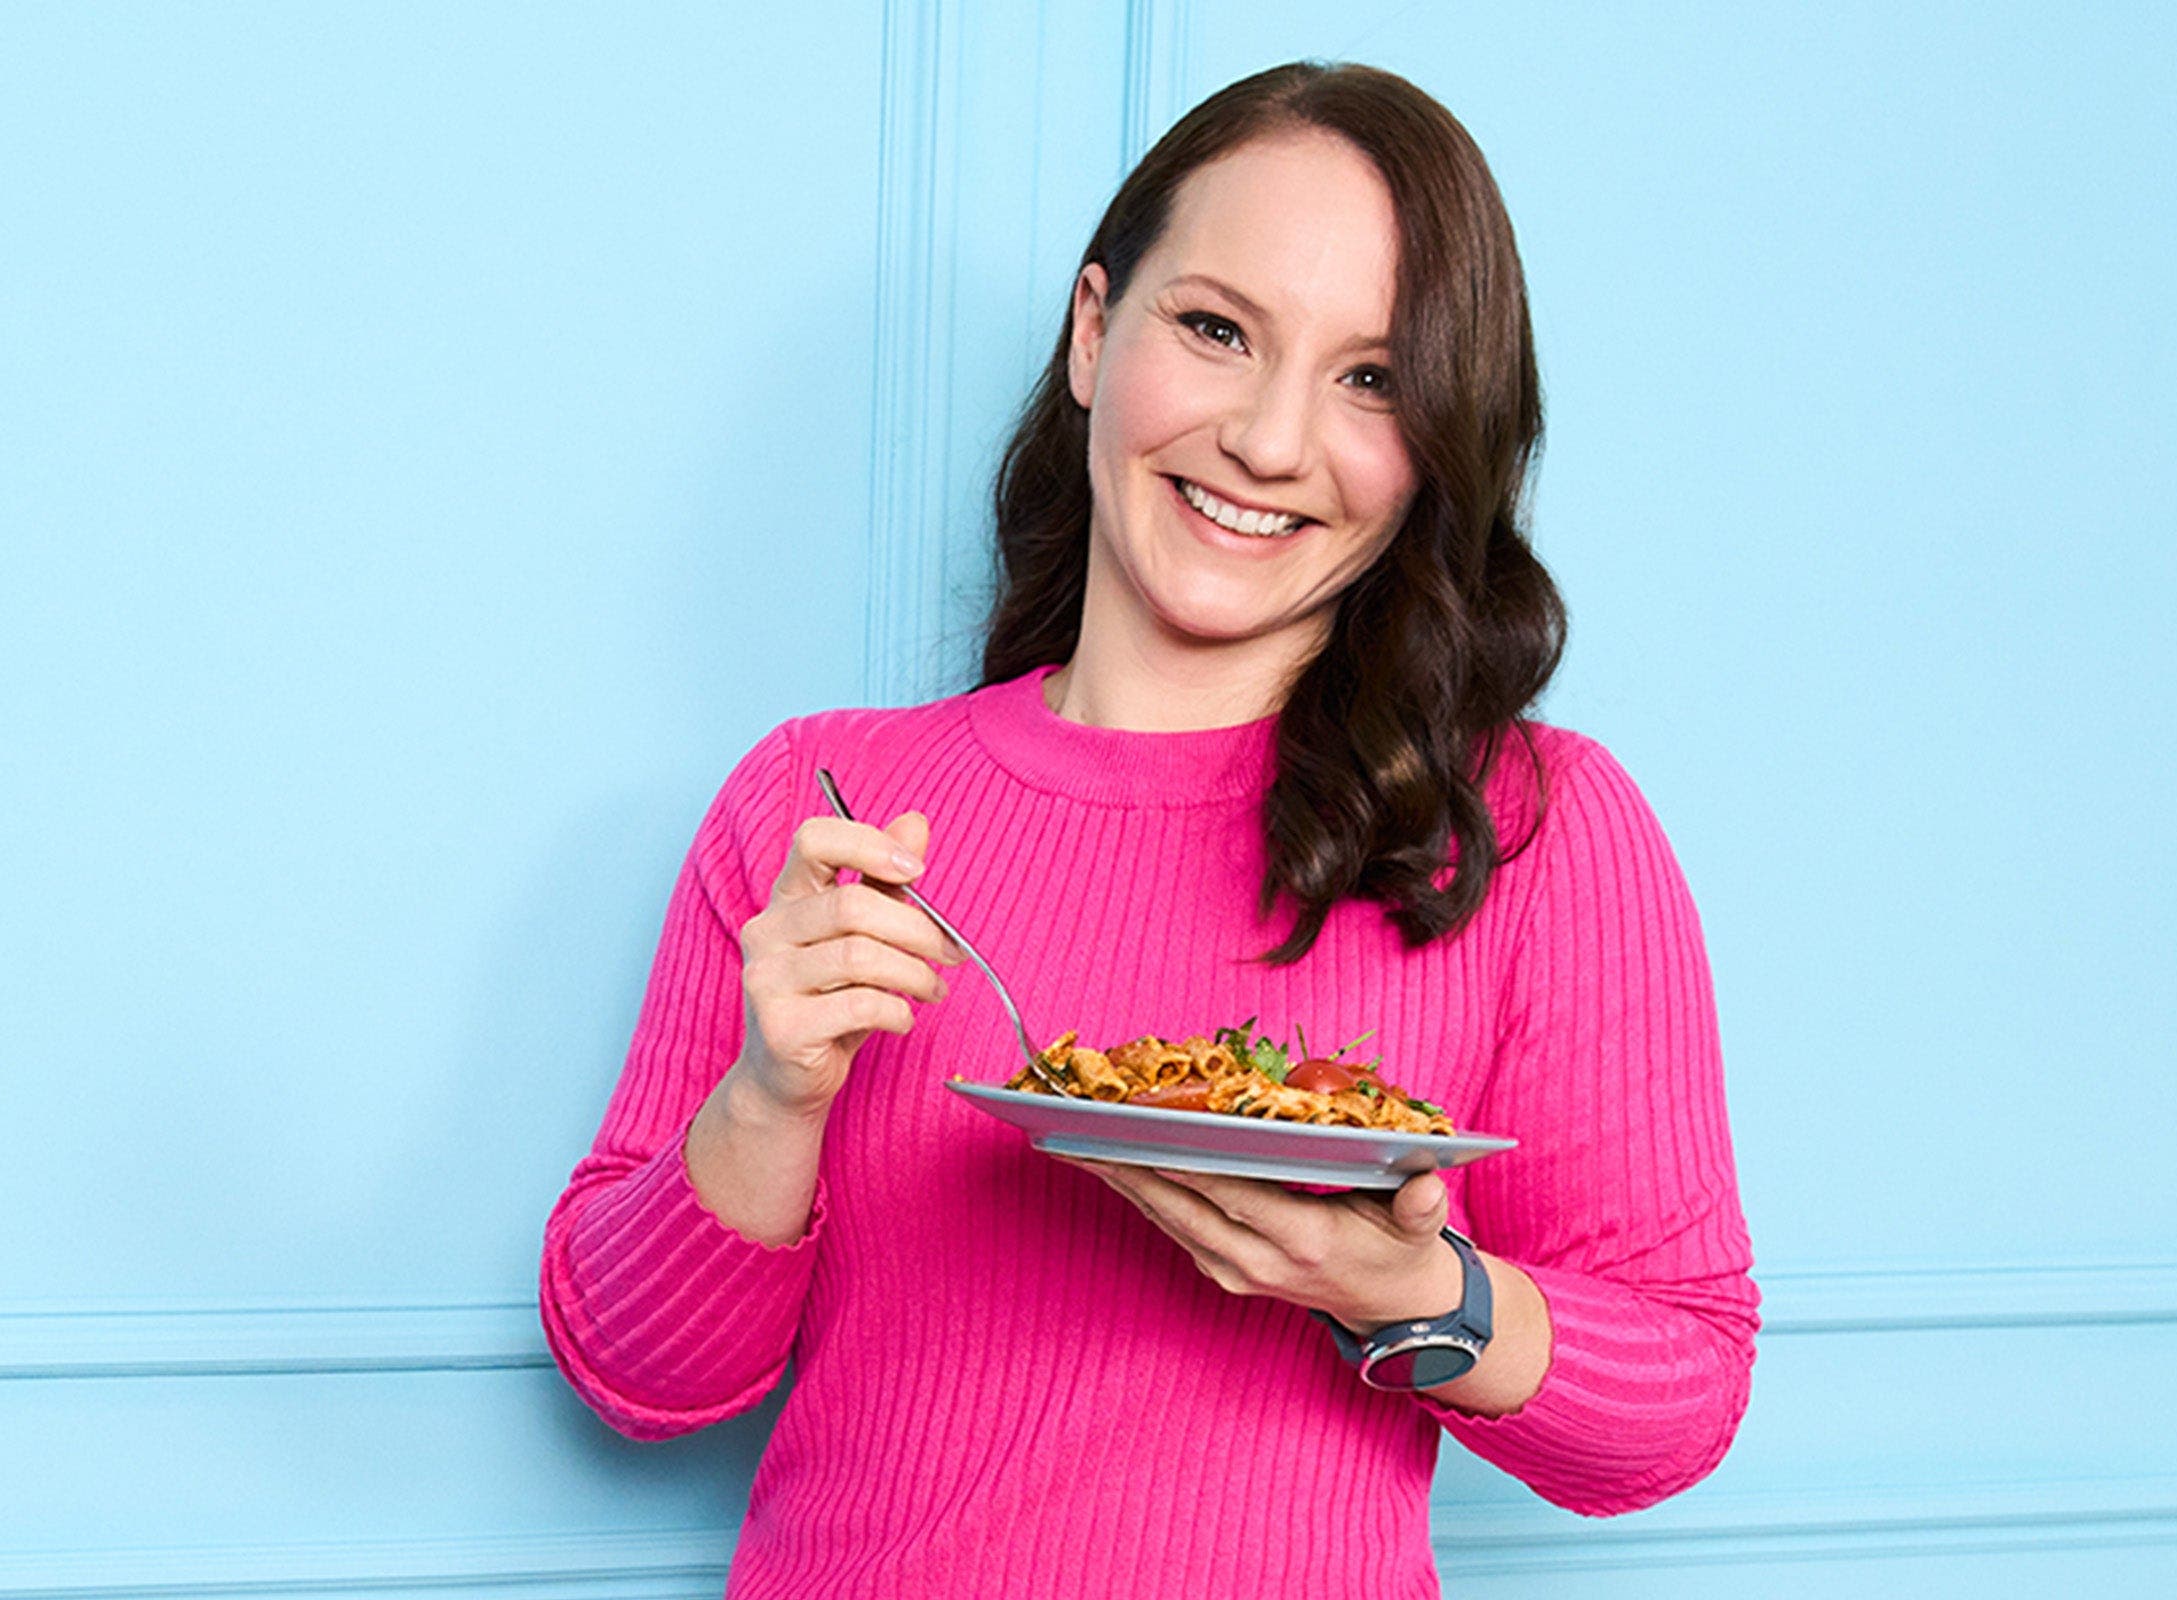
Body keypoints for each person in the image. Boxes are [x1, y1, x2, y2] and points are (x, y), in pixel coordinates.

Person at [540, 61, 1755, 1598]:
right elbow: (640, 1377)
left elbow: (1681, 1399)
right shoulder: (821, 802)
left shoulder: (1530, 829)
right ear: (1095, 331)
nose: (1266, 439)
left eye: (1371, 379)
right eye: (1217, 329)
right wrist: (771, 1100)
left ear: (1438, 443)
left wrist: (1413, 1296)